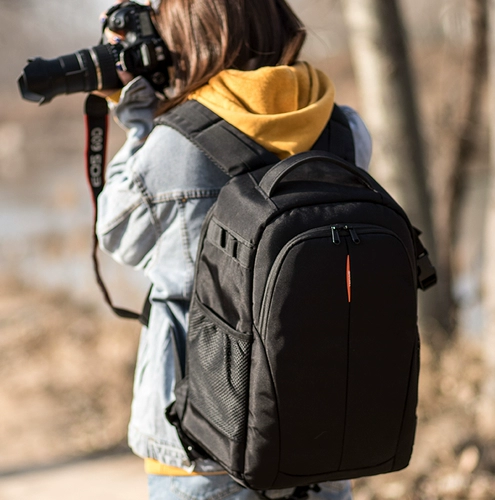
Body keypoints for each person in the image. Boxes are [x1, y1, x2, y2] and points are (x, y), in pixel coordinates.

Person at [96, 0, 372, 499]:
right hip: (324, 433)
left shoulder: (172, 143)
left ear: (188, 40)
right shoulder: (342, 129)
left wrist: (138, 118)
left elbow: (117, 234)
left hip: (204, 439)